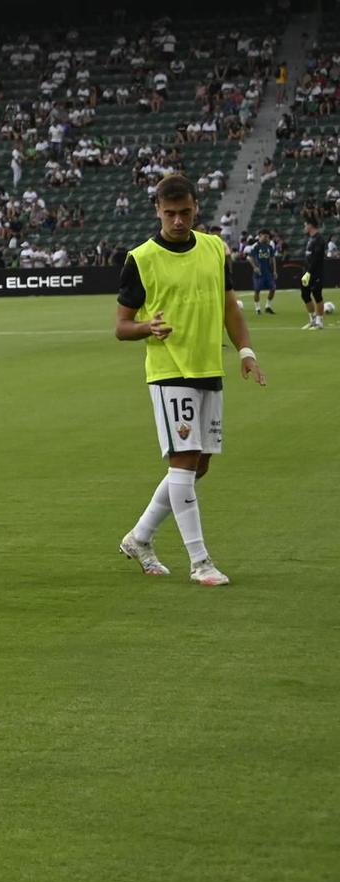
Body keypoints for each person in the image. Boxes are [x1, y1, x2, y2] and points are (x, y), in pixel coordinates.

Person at [116, 174, 266, 586]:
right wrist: (148, 327)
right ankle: (200, 562)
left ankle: (139, 538)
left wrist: (246, 352)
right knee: (183, 463)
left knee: (198, 467)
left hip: (208, 369)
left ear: (196, 207)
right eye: (170, 214)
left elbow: (229, 306)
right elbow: (122, 326)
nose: (178, 221)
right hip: (170, 373)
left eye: (185, 213)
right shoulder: (141, 258)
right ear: (157, 211)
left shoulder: (216, 249)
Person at [301, 217, 327, 330]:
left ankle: (319, 322)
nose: (304, 227)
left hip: (315, 272)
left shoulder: (319, 239)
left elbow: (317, 258)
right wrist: (305, 271)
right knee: (305, 294)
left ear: (310, 225)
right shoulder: (310, 238)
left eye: (305, 225)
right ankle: (312, 319)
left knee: (317, 295)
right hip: (307, 271)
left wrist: (310, 272)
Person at [245, 228, 279, 314]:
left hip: (268, 272)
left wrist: (274, 271)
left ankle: (268, 306)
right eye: (265, 236)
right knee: (257, 290)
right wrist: (255, 267)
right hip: (259, 273)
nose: (267, 238)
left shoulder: (269, 247)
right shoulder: (256, 246)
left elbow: (273, 258)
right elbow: (249, 257)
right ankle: (257, 308)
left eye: (268, 237)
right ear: (260, 236)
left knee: (273, 288)